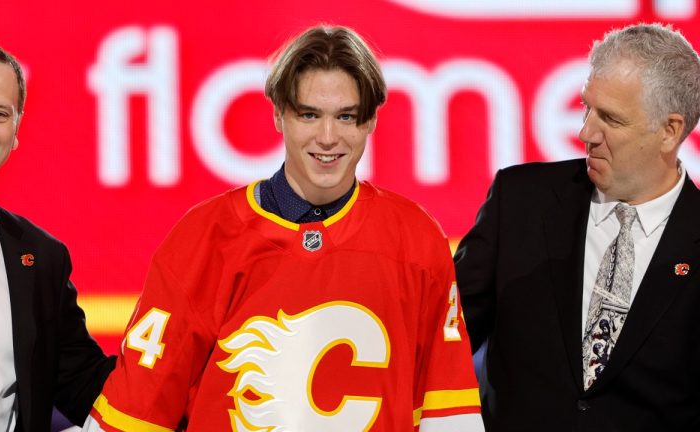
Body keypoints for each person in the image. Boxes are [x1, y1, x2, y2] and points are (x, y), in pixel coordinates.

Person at [85, 25, 483, 431]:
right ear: (278, 114)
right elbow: (136, 411)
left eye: (345, 116)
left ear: (370, 122)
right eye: (309, 114)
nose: (328, 138)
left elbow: (449, 416)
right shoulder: (204, 237)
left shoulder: (416, 239)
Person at [454, 23, 700, 431]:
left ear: (670, 131)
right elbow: (444, 341)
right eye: (587, 107)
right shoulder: (519, 202)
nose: (586, 132)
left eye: (611, 119)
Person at [0, 42, 115, 431]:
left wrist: (183, 370)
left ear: (16, 130)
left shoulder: (41, 257)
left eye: (0, 114)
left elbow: (84, 381)